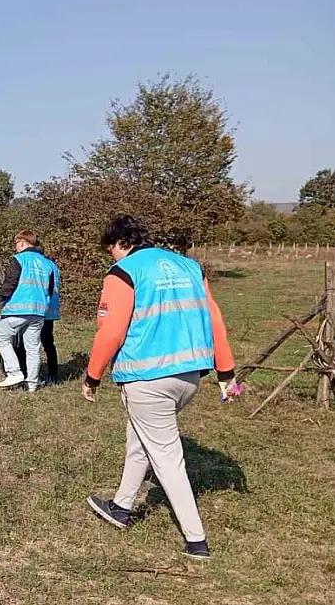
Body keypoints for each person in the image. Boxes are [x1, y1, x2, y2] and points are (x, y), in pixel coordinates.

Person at [83, 215, 236, 561]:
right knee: (140, 440)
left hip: (146, 378)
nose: (113, 258)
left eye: (112, 251)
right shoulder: (190, 267)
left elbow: (111, 332)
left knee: (167, 457)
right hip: (190, 376)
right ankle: (121, 507)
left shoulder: (124, 271)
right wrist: (226, 370)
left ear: (121, 243)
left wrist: (92, 376)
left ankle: (196, 541)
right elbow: (215, 318)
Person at [0, 230, 55, 392]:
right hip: (39, 311)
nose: (15, 247)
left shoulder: (18, 259)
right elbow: (49, 288)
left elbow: (10, 283)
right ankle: (33, 384)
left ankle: (14, 372)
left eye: (16, 244)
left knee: (2, 337)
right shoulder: (47, 263)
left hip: (17, 309)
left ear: (22, 242)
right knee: (33, 348)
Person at [14, 243, 61, 385]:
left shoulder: (38, 264)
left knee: (25, 344)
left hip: (35, 309)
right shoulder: (53, 266)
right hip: (49, 311)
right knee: (48, 343)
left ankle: (26, 373)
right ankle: (52, 374)